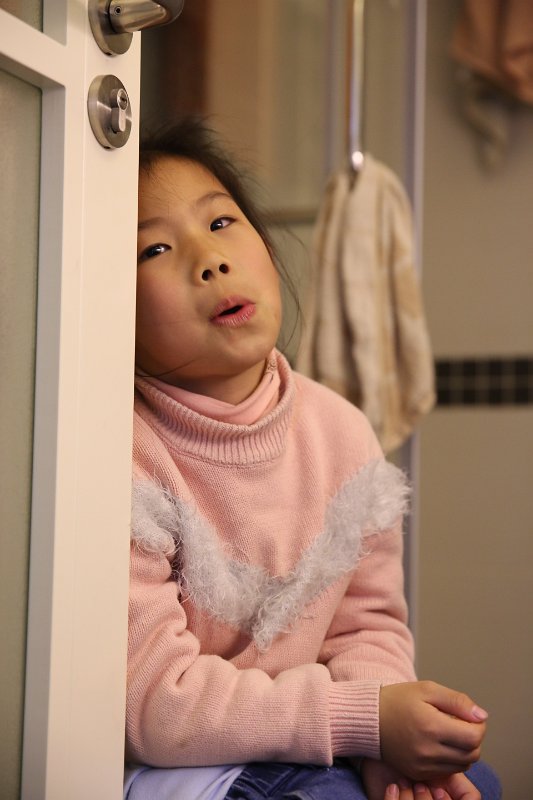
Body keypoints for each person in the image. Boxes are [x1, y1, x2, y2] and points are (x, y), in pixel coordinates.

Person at [125, 117, 501, 800]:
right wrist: (362, 722)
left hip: (315, 744)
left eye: (220, 223)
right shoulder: (125, 454)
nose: (209, 261)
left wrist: (382, 748)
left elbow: (367, 627)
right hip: (186, 766)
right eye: (154, 248)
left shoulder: (341, 433)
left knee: (473, 782)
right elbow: (157, 703)